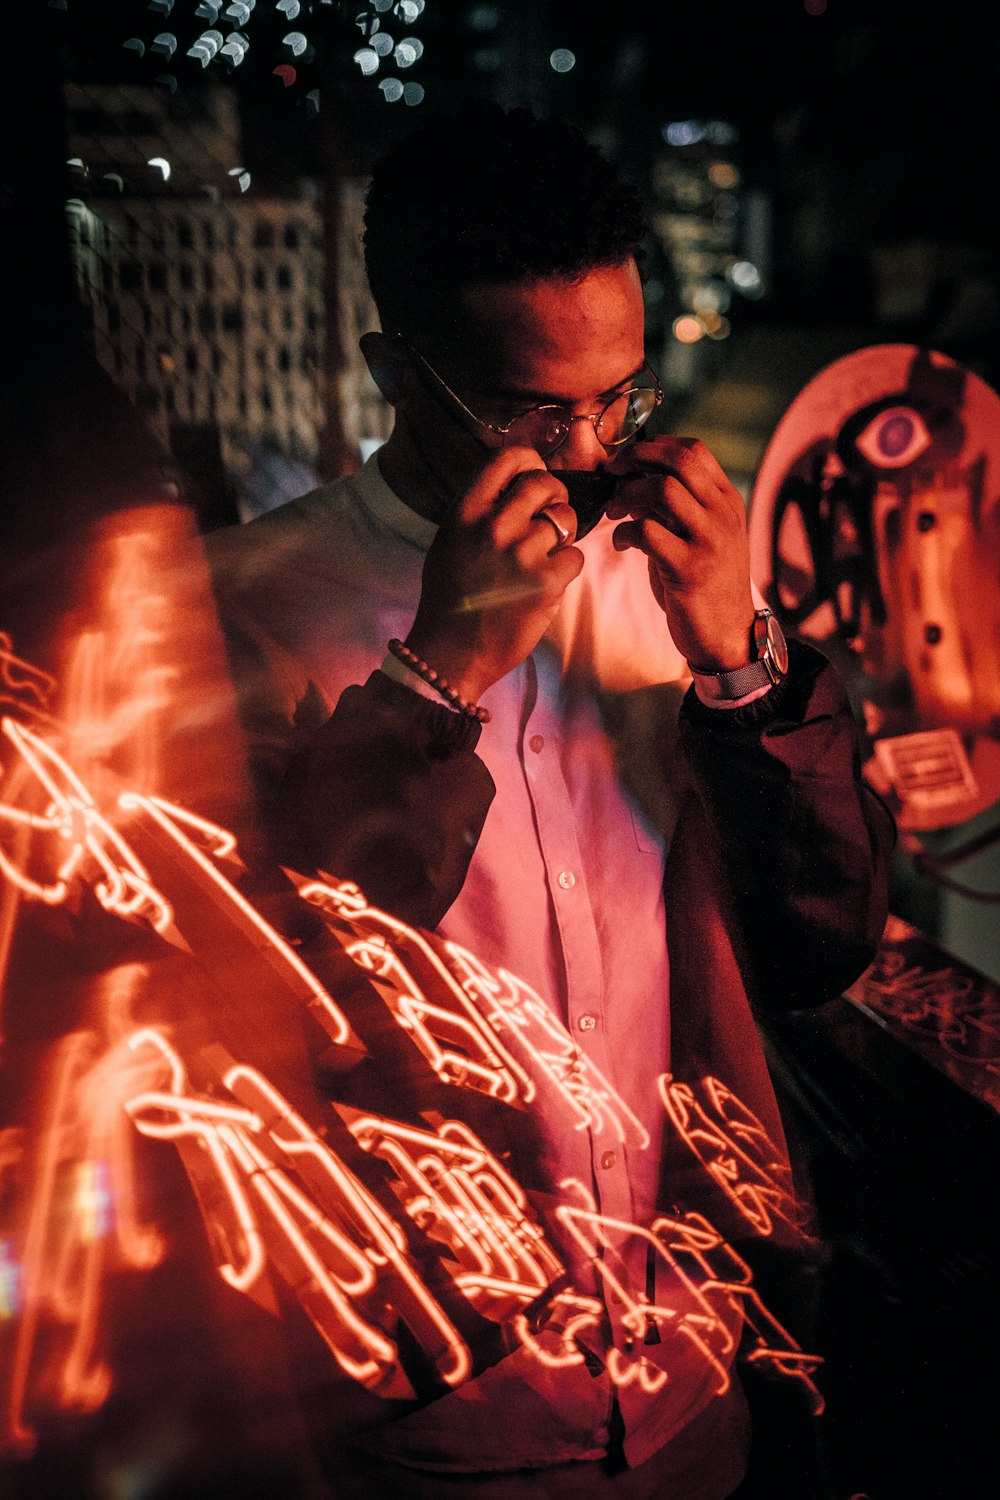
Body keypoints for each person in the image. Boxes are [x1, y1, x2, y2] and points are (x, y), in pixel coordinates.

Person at [203, 102, 893, 1499]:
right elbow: (278, 997)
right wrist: (437, 672)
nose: (589, 454)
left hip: (693, 1358)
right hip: (428, 1410)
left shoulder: (672, 573)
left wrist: (747, 664)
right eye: (531, 410)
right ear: (398, 367)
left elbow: (821, 937)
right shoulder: (246, 605)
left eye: (621, 396)